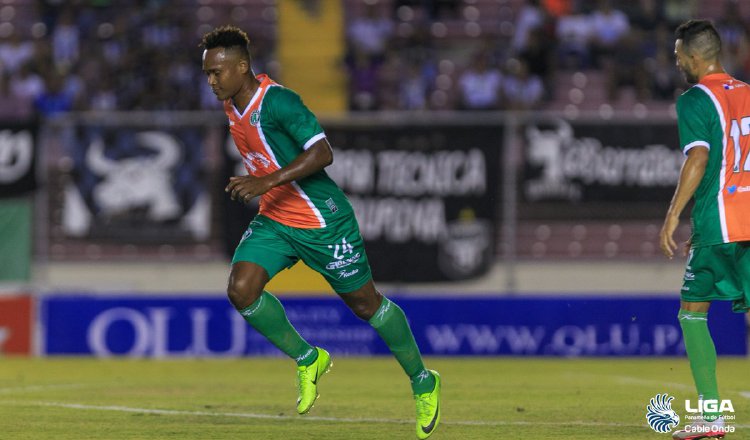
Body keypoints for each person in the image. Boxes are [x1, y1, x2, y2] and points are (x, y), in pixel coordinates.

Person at [200, 26, 441, 439]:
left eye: (217, 72)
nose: (211, 81)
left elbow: (322, 151)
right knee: (241, 289)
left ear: (242, 67)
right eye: (207, 73)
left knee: (366, 305)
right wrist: (266, 185)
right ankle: (308, 357)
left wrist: (265, 181)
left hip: (322, 220)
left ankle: (423, 380)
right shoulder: (231, 104)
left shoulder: (278, 101)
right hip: (277, 217)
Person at [659, 19, 750, 440]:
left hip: (720, 221)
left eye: (679, 53)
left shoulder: (695, 98)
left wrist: (674, 213)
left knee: (693, 311)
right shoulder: (748, 92)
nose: (676, 60)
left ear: (695, 57)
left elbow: (698, 158)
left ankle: (712, 417)